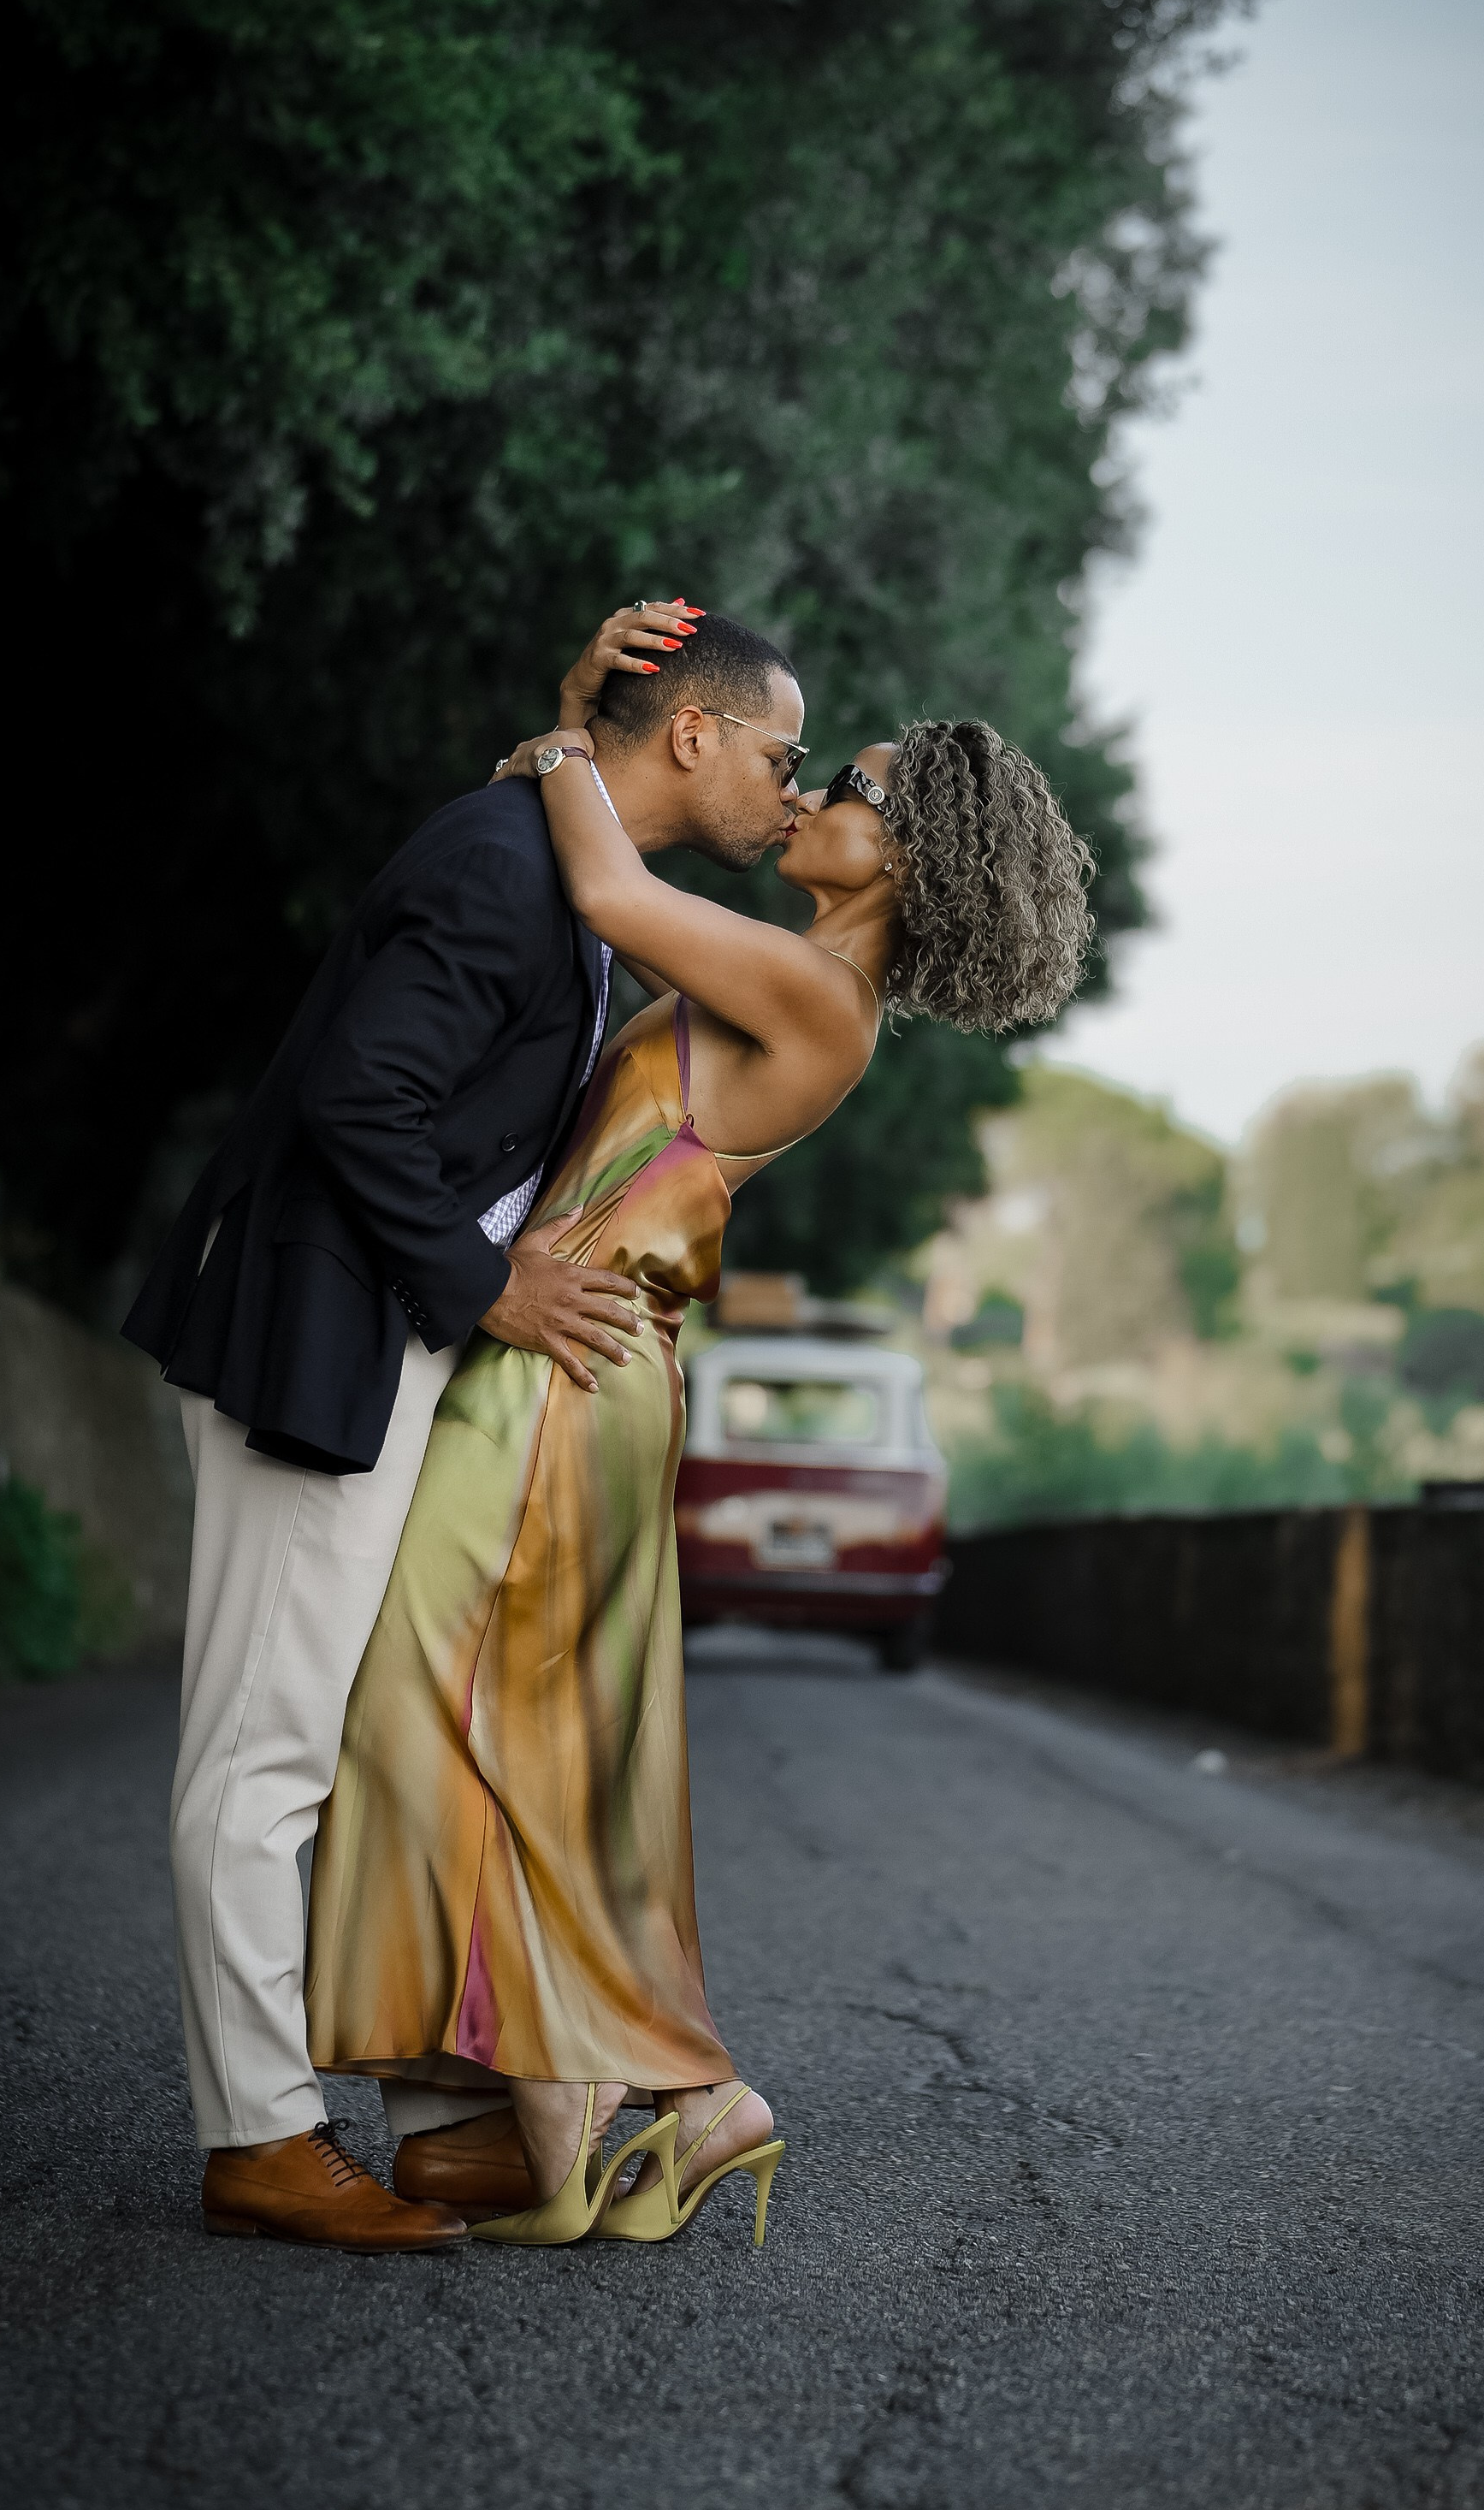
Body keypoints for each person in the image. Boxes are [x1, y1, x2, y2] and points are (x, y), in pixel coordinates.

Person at [303, 613, 1096, 2247]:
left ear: (907, 856)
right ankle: (592, 2099)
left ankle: (623, 2087)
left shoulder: (817, 995)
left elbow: (603, 889)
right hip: (568, 1361)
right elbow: (618, 906)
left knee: (428, 1710)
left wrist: (556, 748)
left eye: (851, 786)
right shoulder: (789, 973)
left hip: (568, 1372)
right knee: (495, 1728)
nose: (808, 792)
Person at [123, 598, 803, 2248]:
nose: (790, 788)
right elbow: (364, 1093)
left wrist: (566, 726)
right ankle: (257, 2138)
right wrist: (484, 1288)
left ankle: (437, 2120)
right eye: (780, 755)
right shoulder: (504, 869)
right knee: (264, 1753)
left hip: (387, 1334)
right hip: (326, 1338)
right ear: (693, 732)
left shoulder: (560, 869)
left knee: (369, 1733)